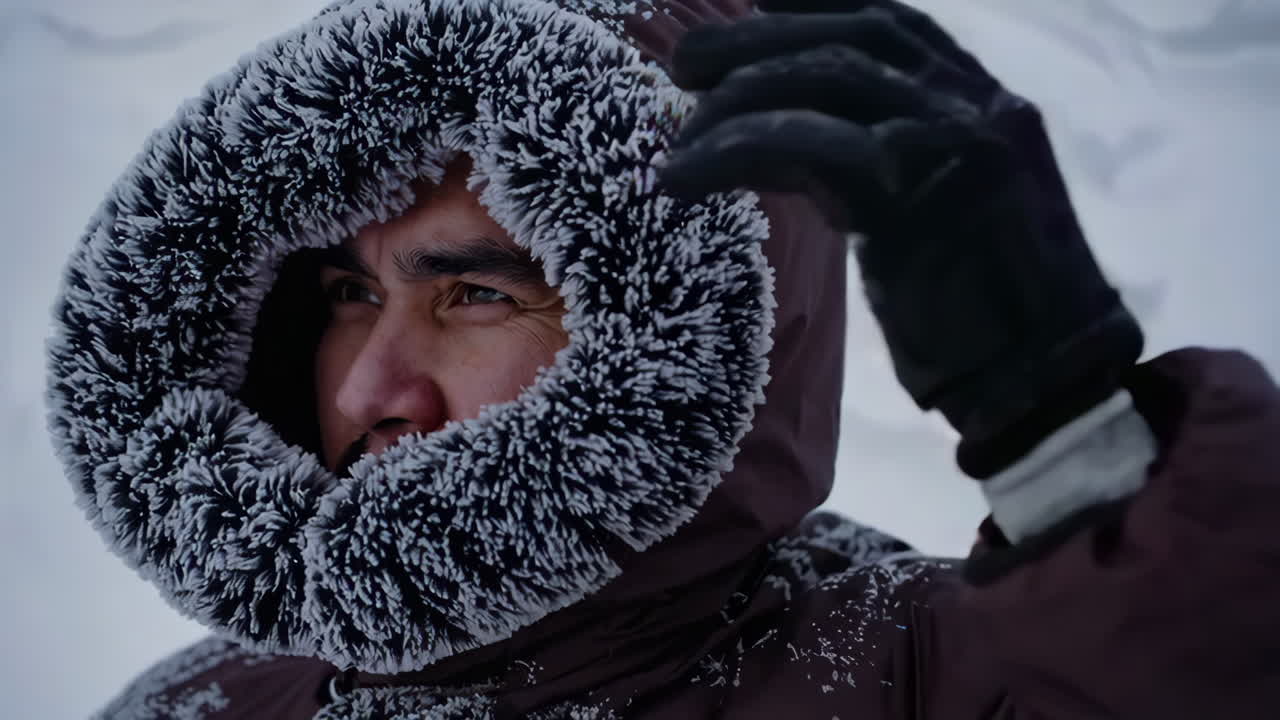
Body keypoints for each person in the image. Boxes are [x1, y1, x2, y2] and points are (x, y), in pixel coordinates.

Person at [45, 0, 1280, 718]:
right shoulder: (198, 704)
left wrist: (1069, 439)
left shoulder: (933, 678)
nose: (371, 387)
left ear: (687, 331)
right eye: (345, 294)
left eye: (475, 293)